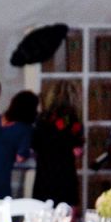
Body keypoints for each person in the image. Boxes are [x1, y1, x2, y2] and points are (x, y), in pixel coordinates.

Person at [31, 80, 84, 208]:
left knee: (42, 215)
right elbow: (77, 151)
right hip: (65, 176)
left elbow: (34, 145)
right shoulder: (73, 122)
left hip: (43, 176)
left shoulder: (41, 119)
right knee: (67, 217)